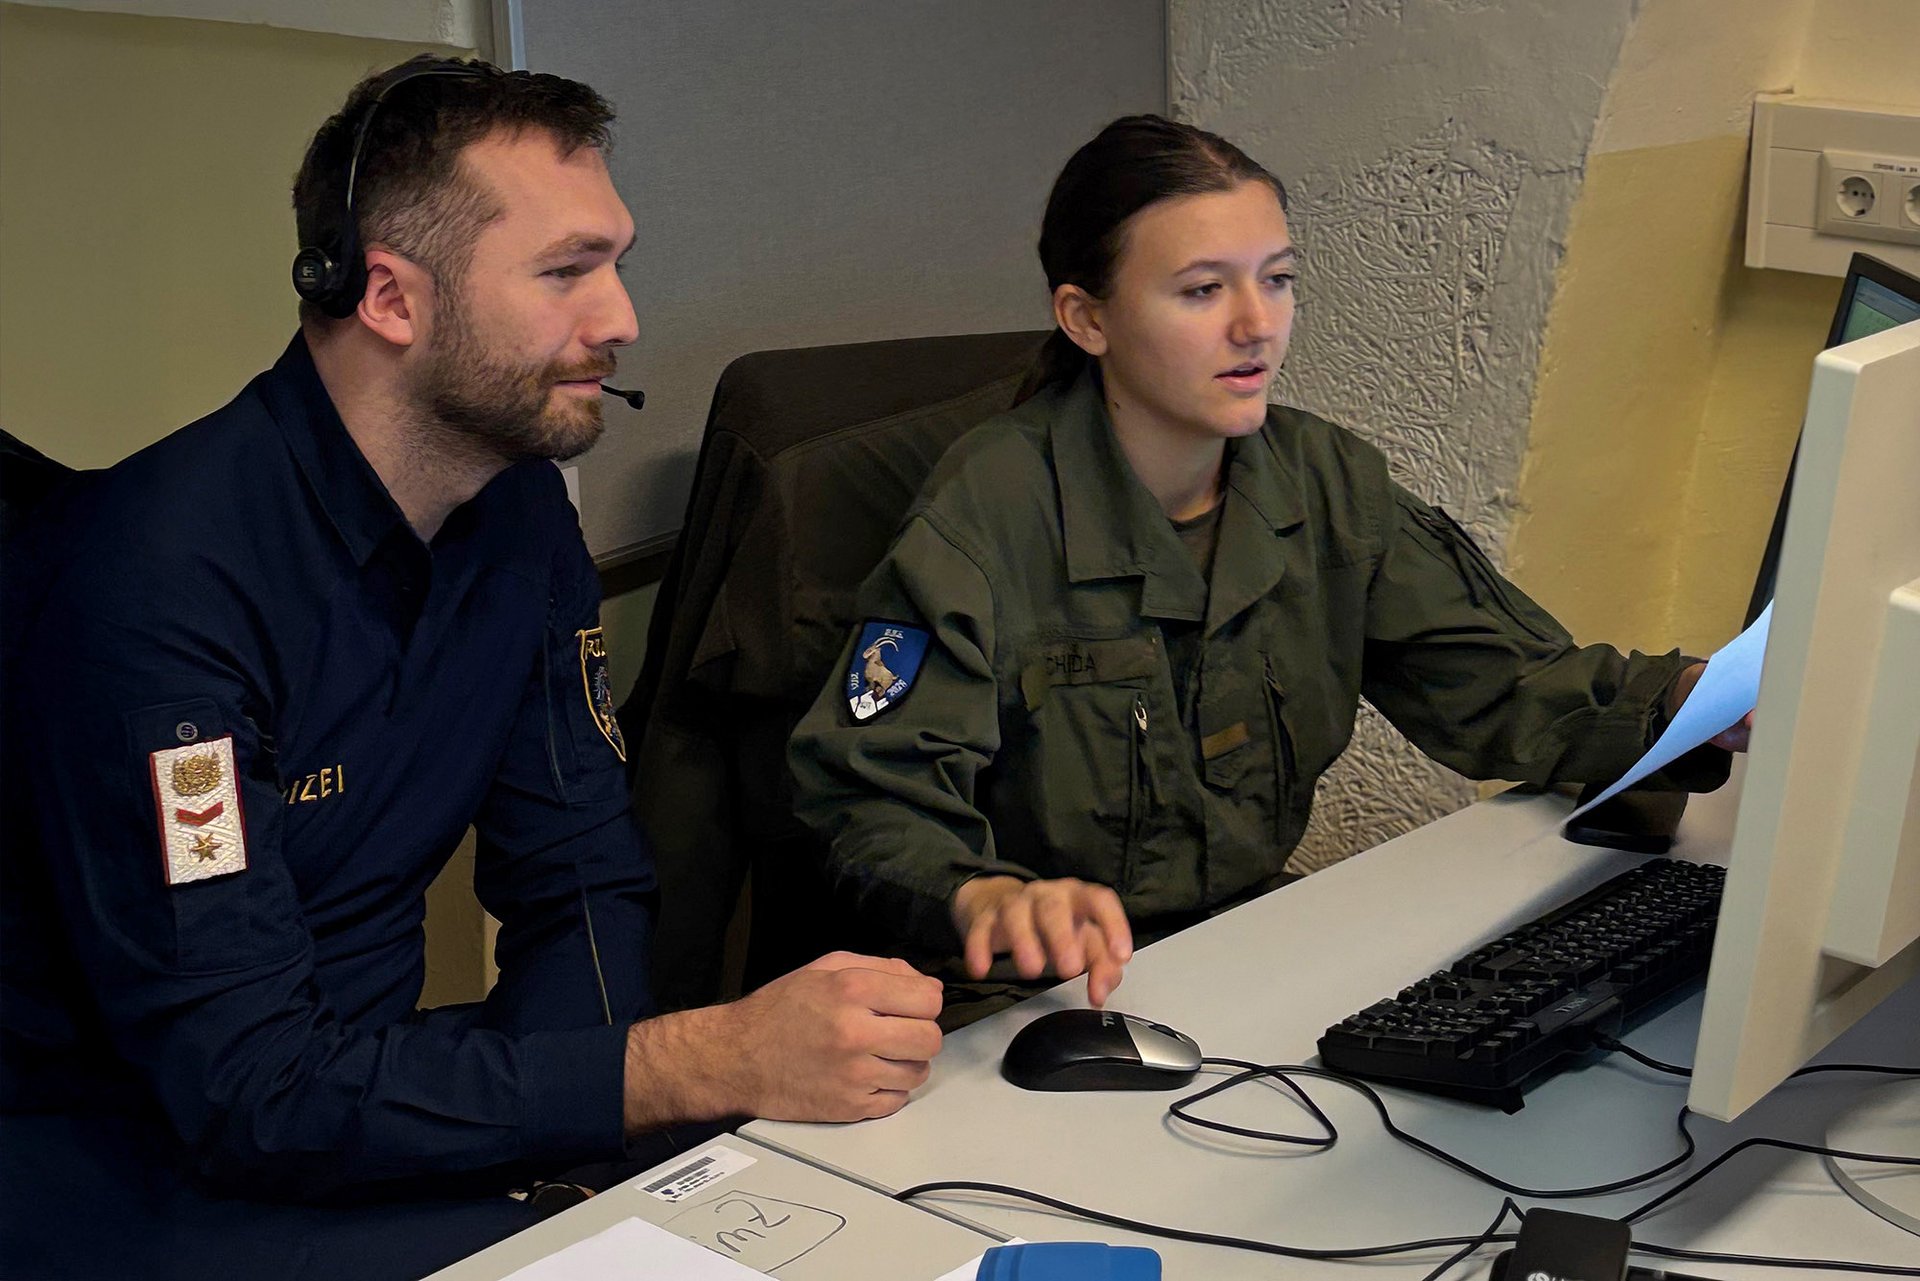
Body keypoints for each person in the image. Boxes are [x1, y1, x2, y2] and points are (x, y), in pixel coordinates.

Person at [0, 57, 940, 1280]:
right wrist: (686, 1065)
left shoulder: (517, 516)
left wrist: (579, 1170)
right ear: (391, 296)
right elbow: (246, 1088)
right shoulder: (161, 582)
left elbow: (581, 877)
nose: (621, 319)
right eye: (565, 272)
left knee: (827, 1202)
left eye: (616, 262)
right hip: (138, 1158)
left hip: (360, 1104)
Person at [788, 115, 1747, 1023]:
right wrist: (986, 896)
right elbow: (872, 795)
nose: (1257, 324)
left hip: (1246, 952)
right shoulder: (987, 513)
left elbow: (1507, 685)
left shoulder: (1325, 482)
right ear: (1086, 318)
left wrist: (1698, 697)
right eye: (1203, 291)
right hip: (1032, 1006)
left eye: (1277, 280)